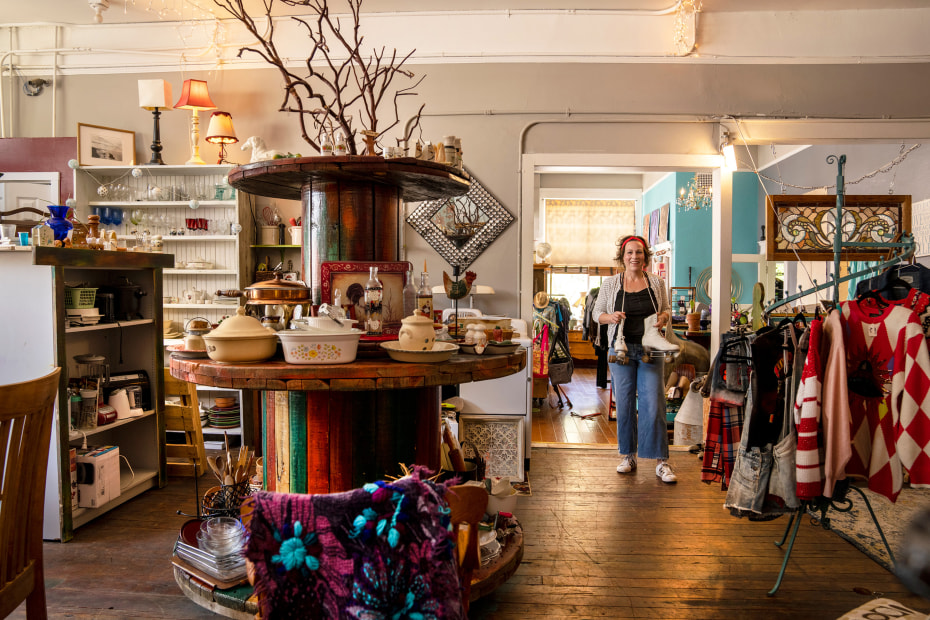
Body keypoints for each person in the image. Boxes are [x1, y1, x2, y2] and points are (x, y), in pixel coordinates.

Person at [592, 234, 677, 484]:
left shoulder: (657, 282)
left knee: (654, 404)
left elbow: (667, 310)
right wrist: (612, 317)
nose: (634, 257)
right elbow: (598, 313)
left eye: (638, 252)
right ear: (622, 256)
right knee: (625, 403)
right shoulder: (611, 283)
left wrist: (663, 318)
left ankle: (661, 462)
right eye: (629, 252)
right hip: (620, 350)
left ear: (645, 256)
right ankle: (628, 456)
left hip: (650, 349)